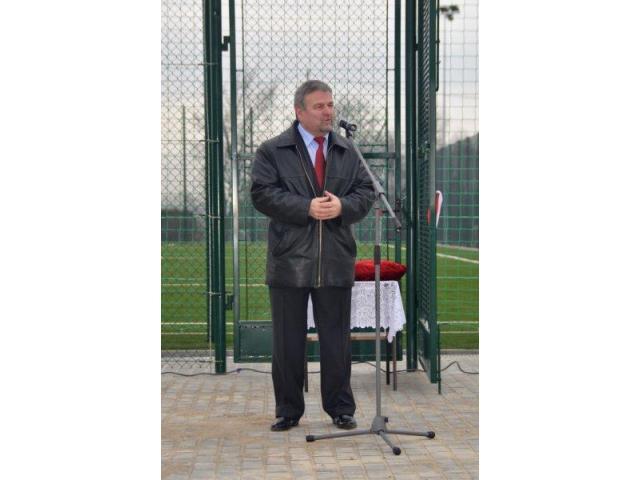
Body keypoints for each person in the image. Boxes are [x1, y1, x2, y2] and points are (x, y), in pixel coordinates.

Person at [251, 80, 375, 432]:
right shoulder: (273, 150)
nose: (328, 112)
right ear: (299, 111)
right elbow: (261, 194)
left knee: (337, 342)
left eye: (330, 105)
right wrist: (305, 207)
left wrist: (342, 206)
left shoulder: (348, 150)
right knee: (287, 342)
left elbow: (366, 191)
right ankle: (288, 410)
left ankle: (341, 408)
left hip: (335, 259)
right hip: (289, 261)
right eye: (319, 106)